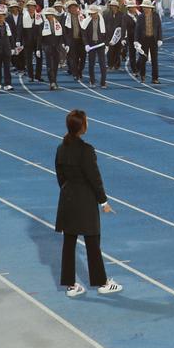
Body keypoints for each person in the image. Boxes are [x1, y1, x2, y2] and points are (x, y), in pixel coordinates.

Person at [55, 110, 122, 298]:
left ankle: (70, 286)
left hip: (67, 199)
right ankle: (102, 282)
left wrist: (68, 191)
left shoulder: (61, 148)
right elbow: (95, 178)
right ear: (82, 126)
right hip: (85, 200)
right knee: (92, 242)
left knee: (68, 243)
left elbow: (60, 176)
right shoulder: (86, 150)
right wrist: (104, 201)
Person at [135, 0, 163, 83]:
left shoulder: (156, 16)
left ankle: (155, 78)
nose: (145, 9)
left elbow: (159, 28)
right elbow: (137, 30)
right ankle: (142, 75)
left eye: (147, 7)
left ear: (151, 8)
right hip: (143, 40)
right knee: (143, 58)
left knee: (155, 60)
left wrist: (160, 39)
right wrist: (136, 41)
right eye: (144, 7)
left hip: (153, 40)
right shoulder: (140, 17)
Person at [81, 4, 108, 88]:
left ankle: (103, 82)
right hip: (91, 45)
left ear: (97, 13)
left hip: (100, 44)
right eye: (91, 14)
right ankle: (92, 81)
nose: (92, 15)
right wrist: (86, 44)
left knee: (102, 64)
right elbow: (84, 34)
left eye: (94, 13)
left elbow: (107, 33)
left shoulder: (103, 21)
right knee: (91, 64)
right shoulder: (86, 22)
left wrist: (106, 44)